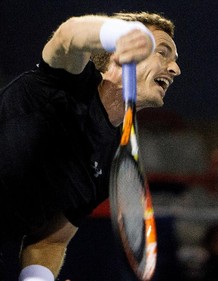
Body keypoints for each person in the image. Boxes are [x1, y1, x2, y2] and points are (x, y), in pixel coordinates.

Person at [0, 11, 180, 280]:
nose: (175, 69)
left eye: (175, 61)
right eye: (162, 52)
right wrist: (117, 34)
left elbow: (50, 241)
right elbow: (68, 35)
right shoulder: (66, 81)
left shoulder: (111, 159)